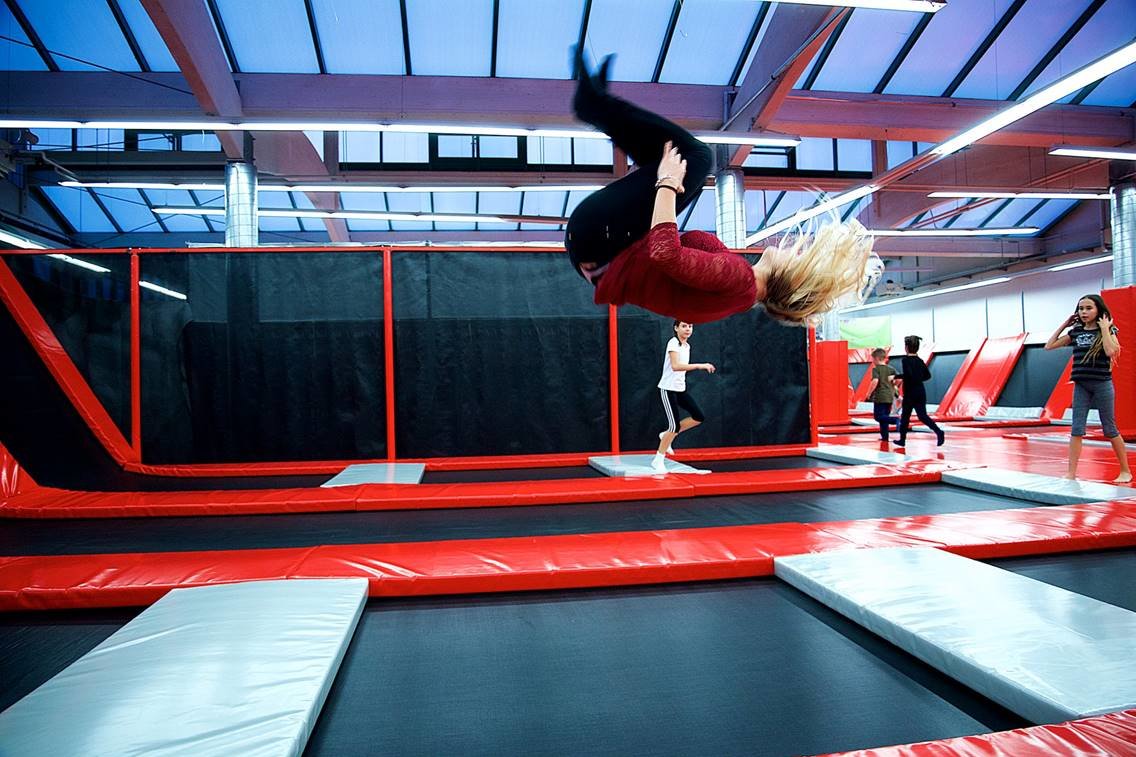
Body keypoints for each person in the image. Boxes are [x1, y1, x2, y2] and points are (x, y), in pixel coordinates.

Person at [565, 48, 877, 327]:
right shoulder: (736, 290)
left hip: (602, 242)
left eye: (795, 256)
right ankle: (596, 107)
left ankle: (596, 107)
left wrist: (667, 184)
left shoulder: (739, 281)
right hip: (603, 248)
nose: (789, 248)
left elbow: (666, 254)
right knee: (689, 165)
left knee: (698, 159)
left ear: (789, 276)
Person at [1044, 294, 1131, 483]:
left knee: (1109, 427)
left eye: (1088, 308)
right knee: (1076, 429)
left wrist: (1105, 329)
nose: (1084, 312)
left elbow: (1110, 351)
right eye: (1081, 308)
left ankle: (1125, 470)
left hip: (1102, 383)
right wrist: (1064, 324)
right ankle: (1071, 473)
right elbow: (1049, 346)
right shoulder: (1075, 332)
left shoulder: (1108, 330)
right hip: (1081, 384)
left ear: (1098, 310)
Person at [652, 320, 715, 474]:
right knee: (674, 425)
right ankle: (658, 459)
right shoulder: (674, 343)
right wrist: (700, 365)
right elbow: (676, 366)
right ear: (676, 328)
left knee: (698, 416)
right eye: (684, 326)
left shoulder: (687, 346)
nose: (688, 329)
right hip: (668, 389)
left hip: (680, 389)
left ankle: (665, 435)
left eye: (690, 326)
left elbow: (681, 370)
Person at [893, 335, 944, 448]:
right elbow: (928, 375)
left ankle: (902, 440)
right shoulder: (920, 360)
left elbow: (908, 375)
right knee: (922, 416)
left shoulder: (905, 360)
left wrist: (896, 376)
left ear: (906, 347)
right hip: (920, 391)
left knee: (905, 417)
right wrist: (918, 379)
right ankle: (938, 432)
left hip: (910, 393)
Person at [864, 348, 898, 442]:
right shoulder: (891, 369)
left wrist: (869, 393)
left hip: (880, 397)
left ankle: (895, 420)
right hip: (889, 397)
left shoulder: (876, 369)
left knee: (878, 416)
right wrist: (893, 385)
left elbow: (875, 381)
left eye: (873, 359)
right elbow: (897, 379)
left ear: (877, 359)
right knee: (884, 418)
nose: (872, 362)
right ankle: (885, 437)